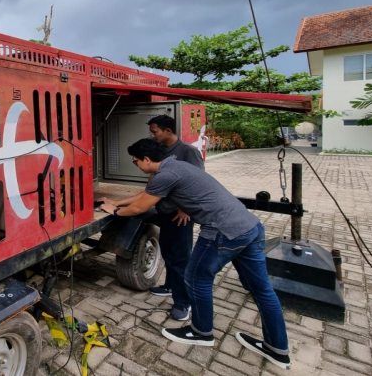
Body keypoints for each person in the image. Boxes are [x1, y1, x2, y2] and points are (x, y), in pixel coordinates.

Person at [99, 138, 291, 370]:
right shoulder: (178, 166)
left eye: (136, 161)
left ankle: (201, 332)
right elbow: (145, 195)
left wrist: (115, 211)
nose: (136, 165)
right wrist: (116, 201)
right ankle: (277, 348)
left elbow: (140, 207)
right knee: (262, 289)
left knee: (196, 279)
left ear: (147, 160)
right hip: (249, 227)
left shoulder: (165, 175)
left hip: (222, 231)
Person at [102, 115, 201, 321]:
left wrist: (186, 210)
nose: (152, 135)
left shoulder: (187, 152)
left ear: (167, 130)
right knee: (168, 253)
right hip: (165, 212)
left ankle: (184, 304)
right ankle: (170, 286)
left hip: (181, 216)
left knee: (181, 259)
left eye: (155, 131)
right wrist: (117, 203)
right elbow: (149, 191)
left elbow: (197, 182)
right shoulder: (163, 154)